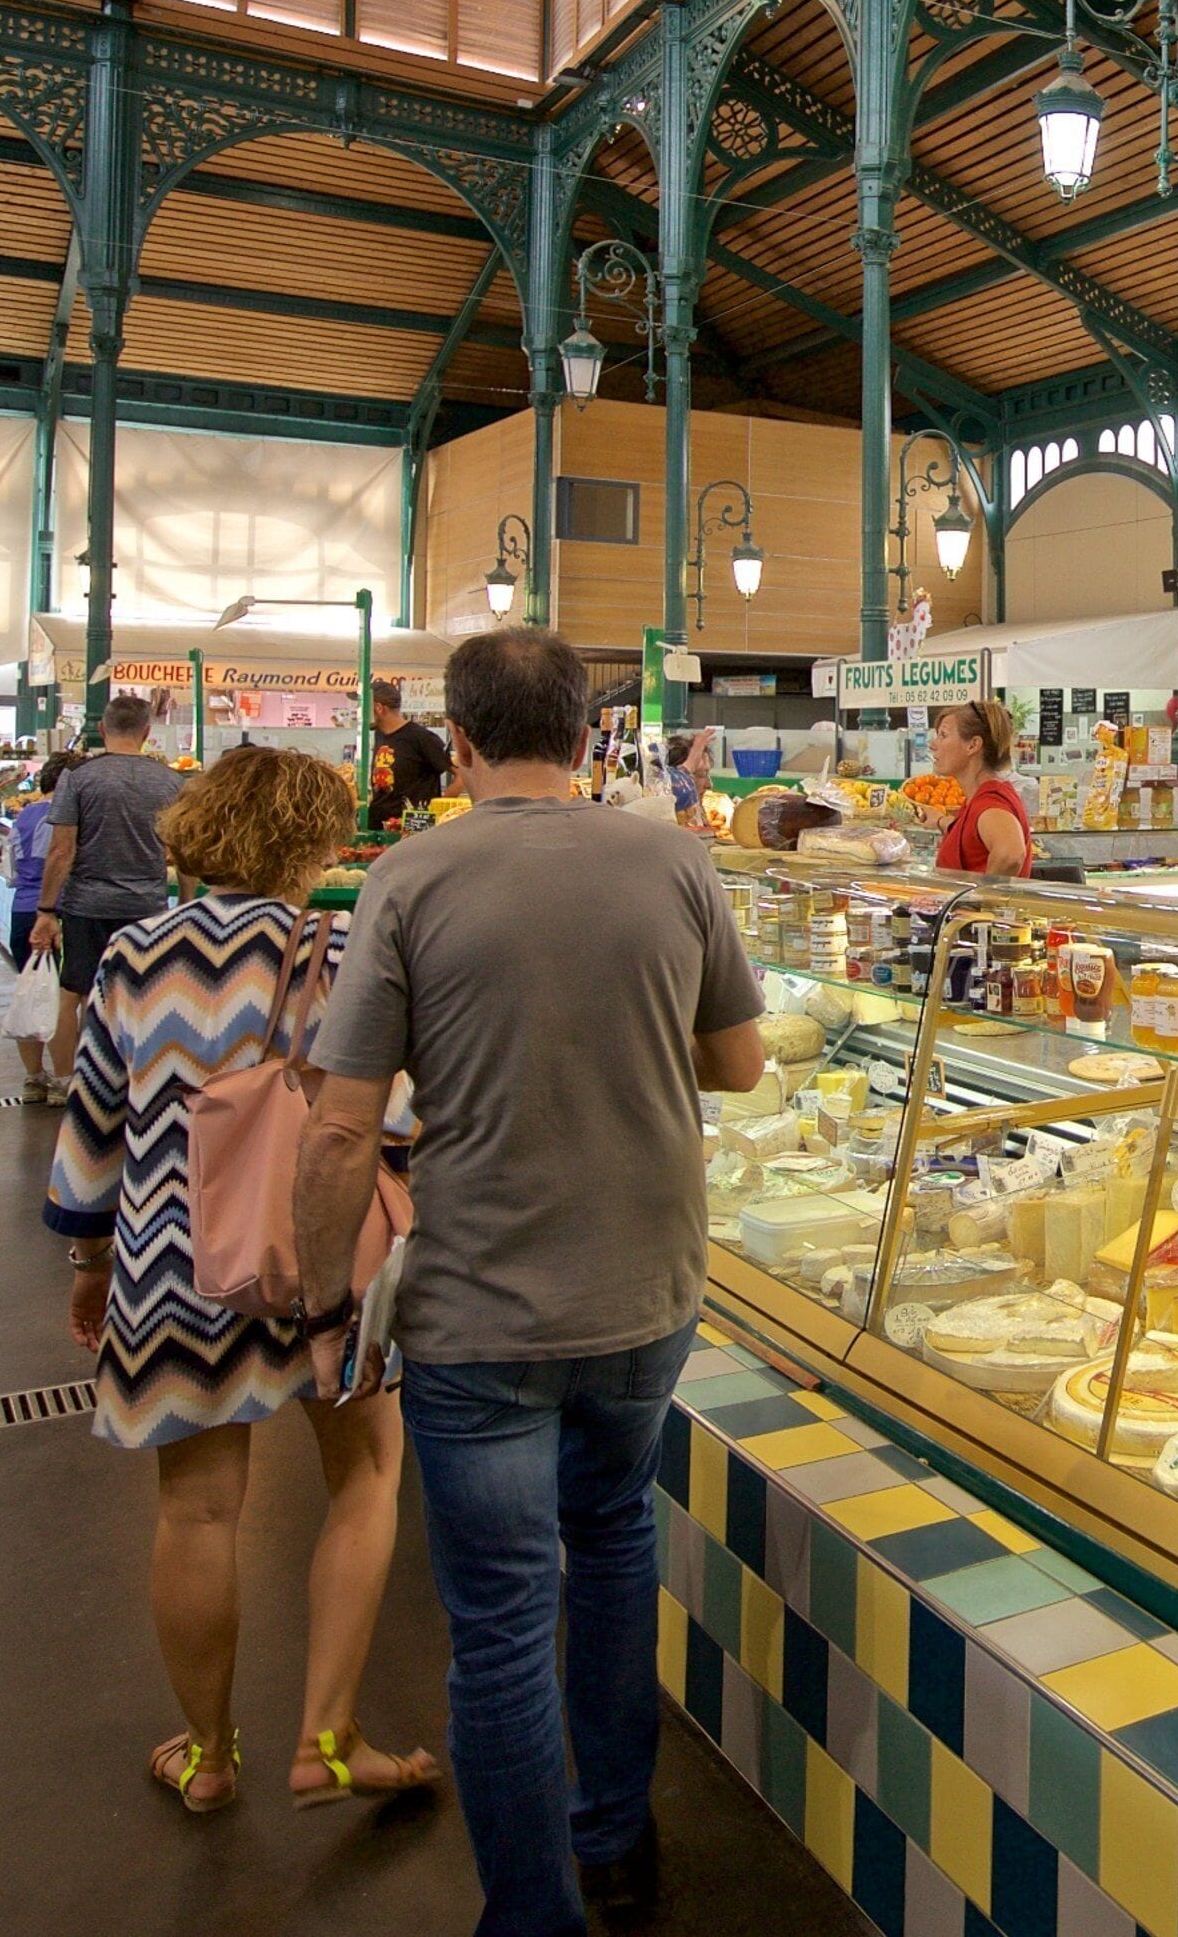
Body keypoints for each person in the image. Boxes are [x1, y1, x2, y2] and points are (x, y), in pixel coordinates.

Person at [287, 628, 764, 1937]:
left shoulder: (410, 876)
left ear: (458, 740)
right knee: (611, 1543)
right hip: (648, 1292)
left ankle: (535, 1917)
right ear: (586, 734)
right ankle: (616, 1843)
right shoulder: (676, 861)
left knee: (500, 1626)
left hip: (481, 1309)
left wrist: (324, 1309)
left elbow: (339, 1127)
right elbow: (739, 1065)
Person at [41, 745, 442, 1820]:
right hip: (327, 1257)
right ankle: (329, 1737)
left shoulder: (131, 954)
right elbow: (398, 1119)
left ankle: (210, 1757)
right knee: (366, 1474)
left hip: (175, 1264)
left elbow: (93, 1131)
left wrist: (89, 1265)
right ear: (316, 843)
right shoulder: (347, 951)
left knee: (199, 1511)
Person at [33, 697, 184, 1086]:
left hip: (87, 906)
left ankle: (69, 1081)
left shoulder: (77, 778)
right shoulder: (171, 781)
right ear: (147, 732)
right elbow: (185, 851)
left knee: (76, 993)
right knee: (140, 996)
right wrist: (185, 905)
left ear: (102, 729)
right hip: (147, 908)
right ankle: (131, 1080)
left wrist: (46, 910)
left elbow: (61, 851)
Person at [7, 750, 81, 1103]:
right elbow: (64, 858)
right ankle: (65, 1080)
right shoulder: (65, 818)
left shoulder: (23, 815)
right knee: (60, 998)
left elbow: (11, 867)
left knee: (31, 989)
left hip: (21, 909)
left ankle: (34, 1078)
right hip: (54, 912)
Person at [929, 698, 1033, 877]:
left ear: (973, 745)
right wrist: (940, 821)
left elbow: (1010, 855)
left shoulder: (989, 802)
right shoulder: (979, 798)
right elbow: (971, 835)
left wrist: (982, 892)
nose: (933, 745)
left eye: (943, 735)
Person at [367, 679, 448, 830]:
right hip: (379, 827)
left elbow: (460, 774)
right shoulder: (379, 734)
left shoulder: (420, 737)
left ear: (378, 708)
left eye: (364, 707)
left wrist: (439, 811)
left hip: (410, 830)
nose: (360, 712)